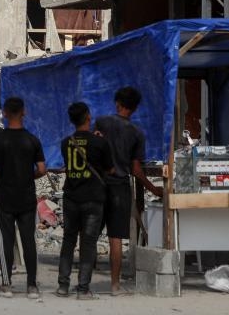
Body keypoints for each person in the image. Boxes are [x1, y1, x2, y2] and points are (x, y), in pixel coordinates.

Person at [95, 87, 165, 296]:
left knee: (89, 234)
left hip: (98, 185)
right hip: (120, 187)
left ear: (117, 103)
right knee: (115, 238)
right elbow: (136, 169)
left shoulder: (102, 122)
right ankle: (115, 285)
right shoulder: (136, 132)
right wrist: (153, 188)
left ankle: (83, 282)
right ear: (134, 108)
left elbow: (92, 150)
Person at [0, 97, 47, 299]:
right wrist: (28, 176)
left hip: (5, 196)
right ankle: (32, 286)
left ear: (4, 113)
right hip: (27, 197)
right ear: (24, 112)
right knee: (29, 240)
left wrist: (2, 177)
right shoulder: (32, 140)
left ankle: (7, 284)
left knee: (6, 240)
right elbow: (41, 169)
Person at [57, 102, 114, 299]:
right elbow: (110, 169)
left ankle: (63, 286)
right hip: (93, 199)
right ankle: (83, 289)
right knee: (88, 243)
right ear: (88, 117)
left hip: (71, 197)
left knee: (68, 240)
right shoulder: (100, 143)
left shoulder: (66, 143)